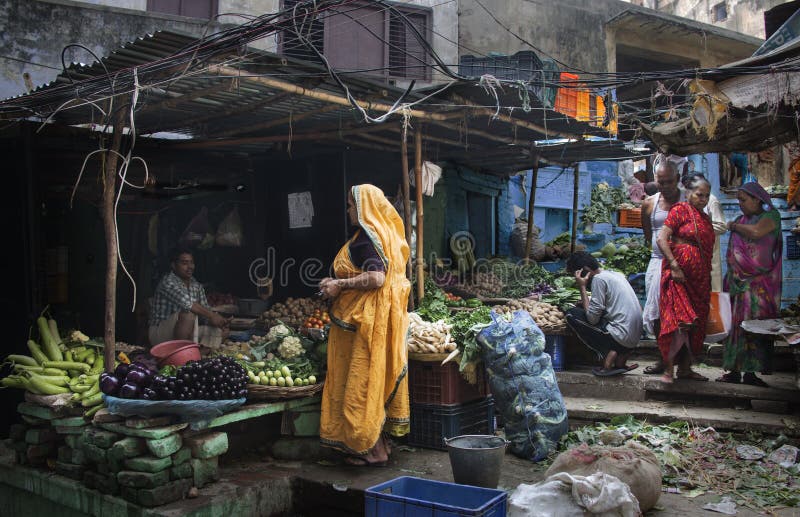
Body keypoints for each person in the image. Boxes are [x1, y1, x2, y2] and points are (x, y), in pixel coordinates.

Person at [318, 184, 411, 466]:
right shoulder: (386, 236)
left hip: (364, 329)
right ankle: (380, 446)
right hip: (378, 325)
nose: (347, 210)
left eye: (350, 204)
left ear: (364, 207)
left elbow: (377, 279)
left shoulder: (365, 241)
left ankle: (369, 450)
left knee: (361, 386)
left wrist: (339, 284)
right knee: (373, 383)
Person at [717, 182, 782, 387]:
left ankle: (752, 373)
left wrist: (733, 226)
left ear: (757, 199)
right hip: (738, 285)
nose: (741, 204)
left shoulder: (771, 216)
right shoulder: (741, 219)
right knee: (735, 328)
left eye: (743, 200)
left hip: (760, 286)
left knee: (756, 328)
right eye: (738, 200)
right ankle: (734, 370)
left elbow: (755, 233)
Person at [656, 176, 715, 383]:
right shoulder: (680, 210)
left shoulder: (705, 218)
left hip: (699, 280)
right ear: (688, 192)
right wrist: (674, 265)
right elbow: (661, 238)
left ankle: (686, 369)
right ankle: (669, 370)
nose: (704, 199)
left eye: (707, 196)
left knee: (695, 322)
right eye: (700, 195)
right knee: (678, 320)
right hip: (678, 276)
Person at [565, 251, 642, 376]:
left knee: (571, 314)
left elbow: (592, 319)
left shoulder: (598, 279)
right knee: (584, 311)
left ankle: (607, 354)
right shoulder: (615, 274)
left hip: (621, 336)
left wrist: (582, 287)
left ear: (585, 270)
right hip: (633, 337)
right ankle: (619, 356)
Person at [640, 160, 684, 375]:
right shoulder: (649, 203)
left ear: (677, 180)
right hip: (658, 263)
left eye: (669, 181)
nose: (664, 185)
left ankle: (684, 364)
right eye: (660, 181)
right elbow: (649, 235)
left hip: (683, 265)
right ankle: (663, 358)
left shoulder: (688, 200)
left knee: (682, 315)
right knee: (657, 314)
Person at [148, 248, 231, 346]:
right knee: (188, 315)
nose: (190, 266)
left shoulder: (196, 285)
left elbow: (205, 313)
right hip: (161, 334)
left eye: (191, 263)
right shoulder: (168, 282)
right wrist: (212, 316)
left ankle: (198, 356)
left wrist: (219, 322)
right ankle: (181, 356)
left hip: (188, 332)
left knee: (222, 332)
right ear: (173, 265)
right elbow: (189, 304)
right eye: (184, 263)